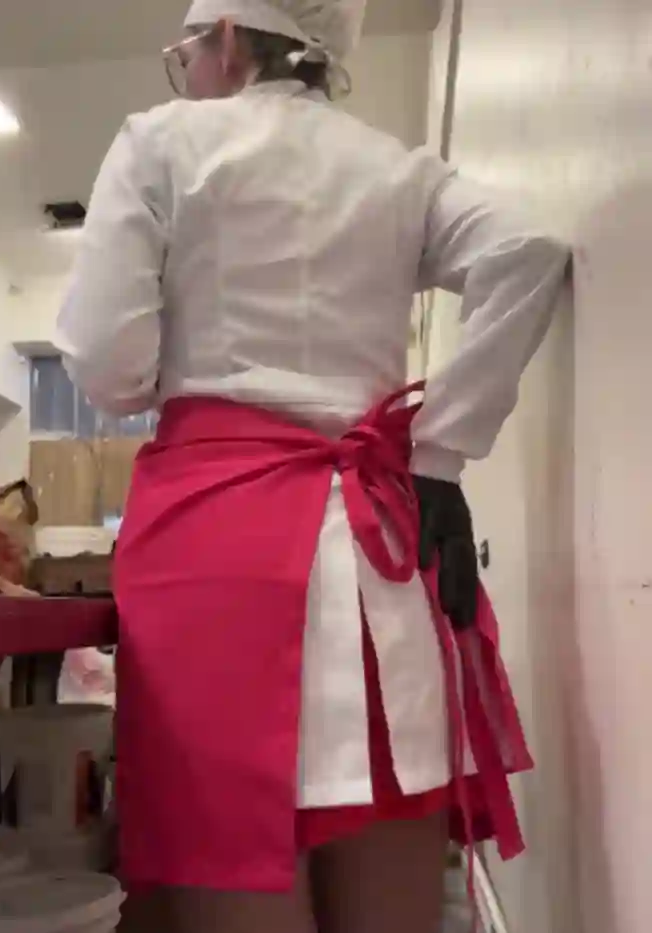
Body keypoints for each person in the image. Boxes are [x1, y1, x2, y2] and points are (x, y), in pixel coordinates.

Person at [55, 2, 571, 931]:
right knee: (391, 857)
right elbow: (527, 251)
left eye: (185, 56)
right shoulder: (400, 170)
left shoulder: (161, 143)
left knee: (227, 858)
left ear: (224, 39)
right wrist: (440, 451)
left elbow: (108, 367)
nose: (187, 77)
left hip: (215, 544)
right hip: (379, 554)